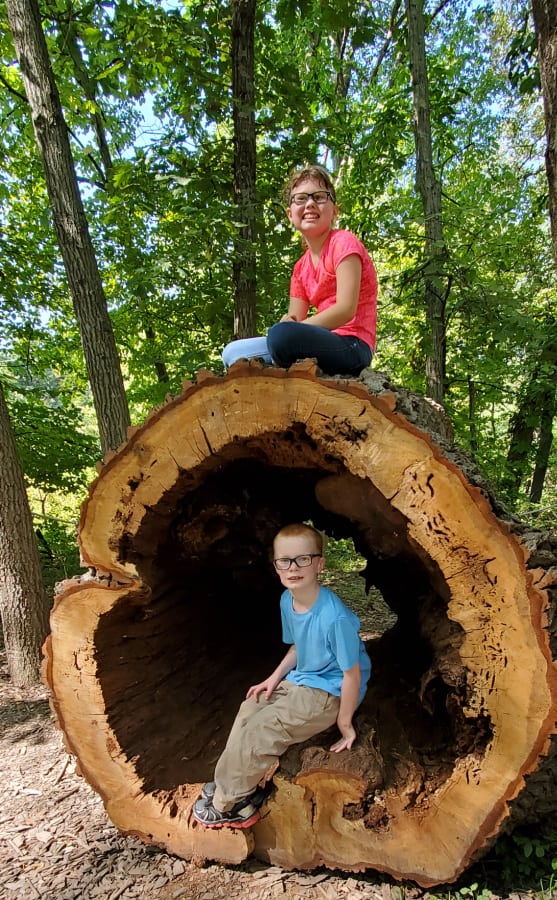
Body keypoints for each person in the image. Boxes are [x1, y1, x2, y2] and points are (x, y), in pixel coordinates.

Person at [193, 522, 372, 829]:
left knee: (263, 729)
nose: (293, 568)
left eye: (303, 559)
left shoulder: (334, 618)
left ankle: (230, 804)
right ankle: (236, 785)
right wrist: (273, 678)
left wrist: (345, 724)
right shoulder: (287, 600)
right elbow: (299, 646)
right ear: (275, 566)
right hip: (304, 679)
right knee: (250, 708)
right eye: (284, 561)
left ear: (319, 564)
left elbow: (351, 675)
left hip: (329, 692)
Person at [222, 164, 377, 377]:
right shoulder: (300, 268)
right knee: (233, 353)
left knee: (282, 337)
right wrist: (289, 325)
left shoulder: (343, 243)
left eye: (319, 197)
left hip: (353, 345)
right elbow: (294, 320)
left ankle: (285, 375)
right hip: (316, 342)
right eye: (301, 199)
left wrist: (291, 330)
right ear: (290, 214)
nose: (310, 204)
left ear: (334, 210)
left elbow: (345, 309)